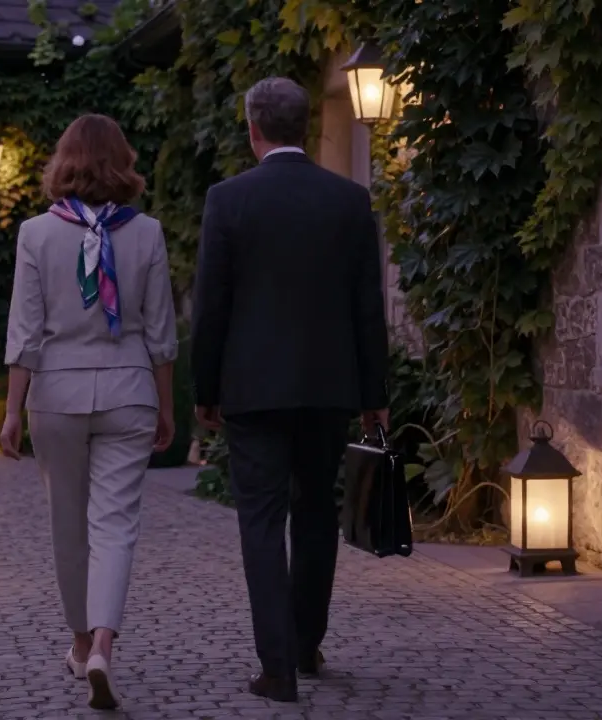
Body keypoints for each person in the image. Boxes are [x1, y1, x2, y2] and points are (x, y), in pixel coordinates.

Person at [190, 76, 390, 703]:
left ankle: (276, 668)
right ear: (304, 127)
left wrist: (205, 389)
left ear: (252, 129)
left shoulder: (228, 200)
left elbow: (212, 307)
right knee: (314, 515)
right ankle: (305, 645)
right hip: (330, 388)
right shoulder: (350, 201)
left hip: (252, 390)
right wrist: (373, 392)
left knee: (260, 519)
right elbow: (368, 308)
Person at [0, 114, 178, 711]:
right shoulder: (147, 232)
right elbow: (160, 331)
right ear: (123, 161)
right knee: (115, 525)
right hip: (130, 391)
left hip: (55, 396)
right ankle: (103, 643)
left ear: (63, 162)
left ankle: (80, 644)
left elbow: (24, 331)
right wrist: (166, 406)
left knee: (67, 525)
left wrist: (10, 412)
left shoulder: (35, 234)